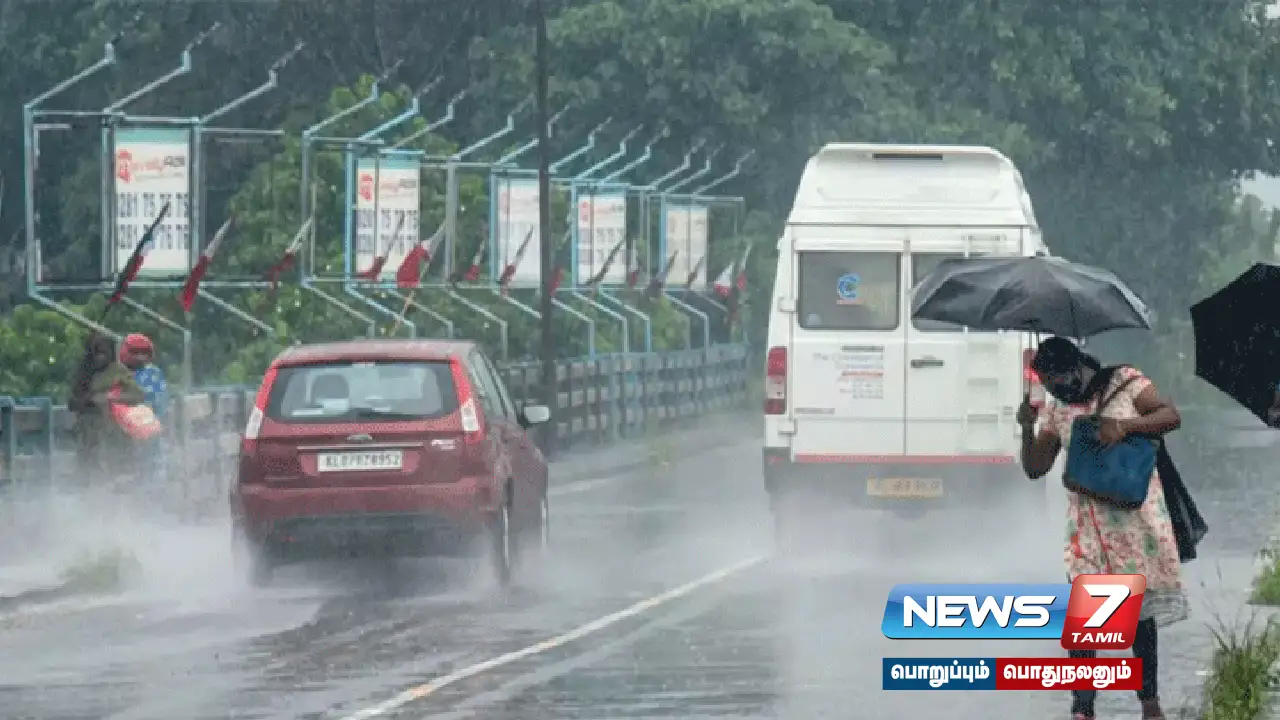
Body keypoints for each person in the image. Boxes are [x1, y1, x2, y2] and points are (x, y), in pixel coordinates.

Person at [1016, 337, 1186, 720]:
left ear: (1079, 367)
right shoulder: (1058, 411)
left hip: (1132, 520)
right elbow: (1035, 468)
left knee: (1139, 616)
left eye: (1061, 378)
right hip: (1088, 524)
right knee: (1088, 616)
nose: (1058, 387)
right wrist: (1028, 428)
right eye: (1049, 381)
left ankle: (1150, 705)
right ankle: (1083, 708)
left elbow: (1170, 416)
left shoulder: (1126, 382)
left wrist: (1125, 426)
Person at [67, 332, 147, 482]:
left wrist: (111, 398)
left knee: (116, 474)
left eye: (103, 352)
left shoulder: (119, 372)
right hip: (89, 432)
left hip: (115, 431)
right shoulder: (85, 372)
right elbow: (72, 402)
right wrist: (87, 400)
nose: (100, 357)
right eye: (96, 352)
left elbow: (138, 395)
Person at [119, 333, 169, 485]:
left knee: (150, 467)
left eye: (144, 353)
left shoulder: (153, 373)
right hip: (122, 429)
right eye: (135, 352)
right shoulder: (117, 373)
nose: (140, 357)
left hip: (148, 427)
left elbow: (155, 399)